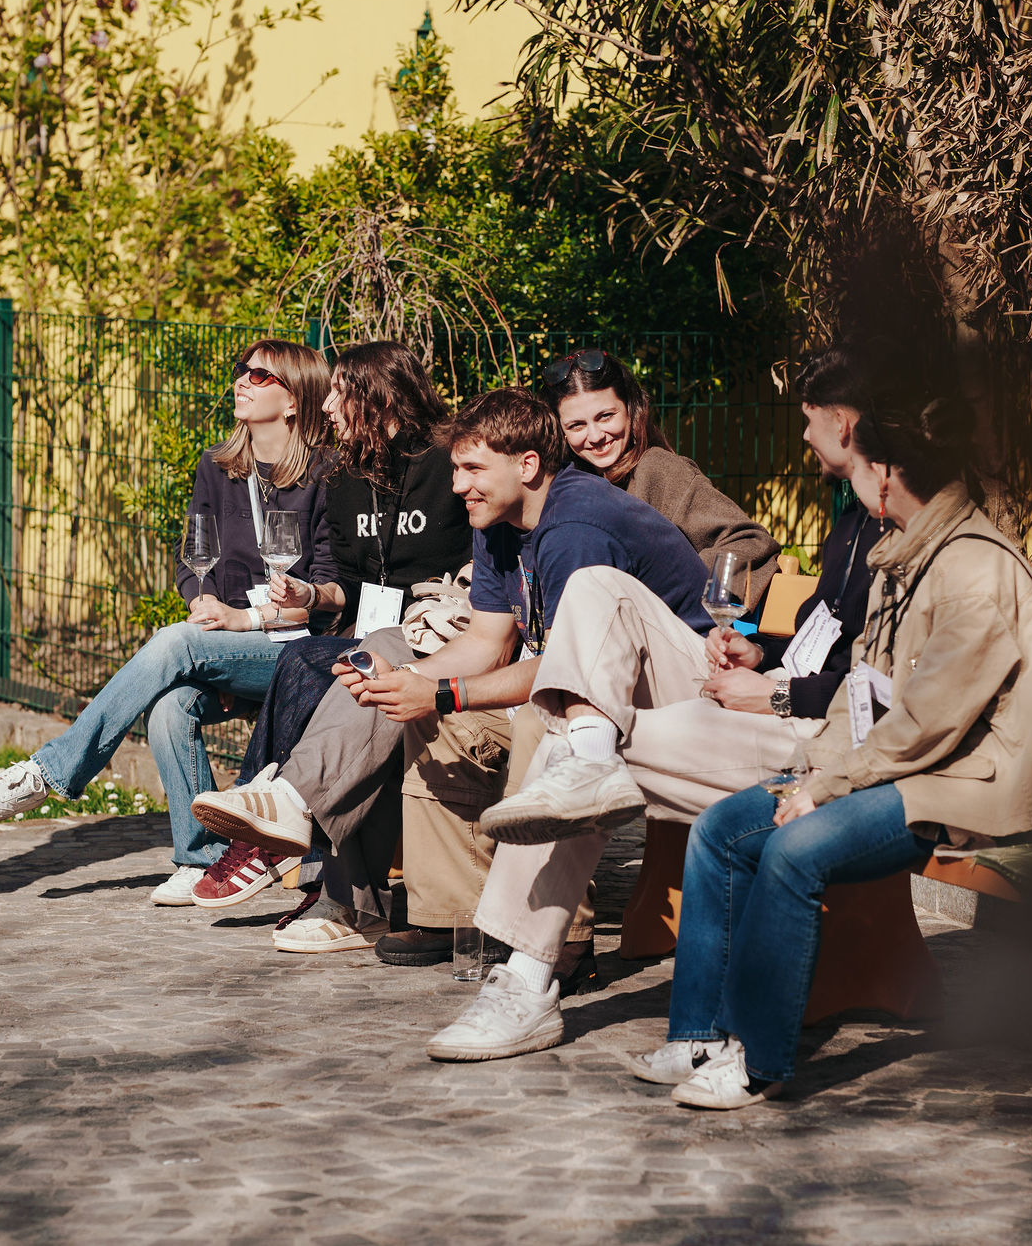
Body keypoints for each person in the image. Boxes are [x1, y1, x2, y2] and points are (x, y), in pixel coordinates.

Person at [633, 374, 1032, 1110]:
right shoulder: (904, 556)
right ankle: (698, 1035)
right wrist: (811, 769)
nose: (841, 468)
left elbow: (928, 721)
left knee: (794, 850)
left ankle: (758, 1060)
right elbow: (866, 691)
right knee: (723, 829)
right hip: (911, 767)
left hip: (972, 780)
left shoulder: (971, 567)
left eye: (857, 464)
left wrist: (827, 786)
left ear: (885, 474)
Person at [419, 346, 891, 1060]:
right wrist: (763, 654)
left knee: (566, 737)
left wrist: (776, 686)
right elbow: (827, 637)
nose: (801, 435)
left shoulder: (915, 539)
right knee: (586, 695)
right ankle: (530, 970)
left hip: (821, 739)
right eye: (576, 423)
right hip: (754, 694)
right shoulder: (856, 523)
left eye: (808, 419)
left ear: (845, 424)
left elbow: (890, 688)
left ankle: (526, 979)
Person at [189, 387, 714, 956]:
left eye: (472, 469)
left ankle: (557, 941)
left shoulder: (576, 526)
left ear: (527, 465)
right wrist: (409, 679)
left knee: (512, 718)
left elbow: (571, 670)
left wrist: (442, 693)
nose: (458, 485)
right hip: (580, 683)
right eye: (456, 469)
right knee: (415, 699)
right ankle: (451, 916)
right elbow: (487, 641)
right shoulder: (498, 521)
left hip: (667, 696)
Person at [0, 341, 335, 905]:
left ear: (293, 400)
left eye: (260, 376)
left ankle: (50, 772)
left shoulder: (326, 476)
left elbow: (329, 591)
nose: (242, 381)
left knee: (176, 644)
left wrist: (247, 619)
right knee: (169, 706)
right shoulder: (218, 468)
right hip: (225, 641)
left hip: (296, 651)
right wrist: (205, 606)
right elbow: (193, 561)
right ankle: (200, 857)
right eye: (242, 370)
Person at [187, 342, 472, 912]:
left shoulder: (448, 465)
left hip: (433, 634)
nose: (328, 405)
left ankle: (267, 838)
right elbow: (341, 583)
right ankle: (269, 828)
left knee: (325, 665)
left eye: (340, 393)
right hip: (364, 630)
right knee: (313, 660)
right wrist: (310, 594)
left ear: (379, 399)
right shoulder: (345, 476)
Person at [545, 347, 781, 613]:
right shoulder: (567, 485)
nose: (596, 435)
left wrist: (681, 596)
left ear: (631, 409)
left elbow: (750, 541)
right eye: (576, 425)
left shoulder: (659, 471)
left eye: (606, 416)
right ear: (561, 431)